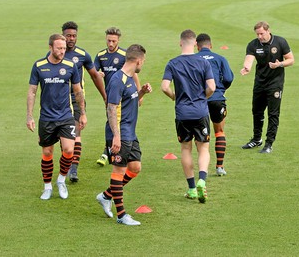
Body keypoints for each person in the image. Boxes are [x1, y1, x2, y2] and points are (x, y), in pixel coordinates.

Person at [95, 44, 152, 226]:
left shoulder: (129, 79)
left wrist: (141, 91)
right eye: (143, 61)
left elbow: (133, 101)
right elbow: (111, 108)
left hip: (130, 133)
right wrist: (116, 137)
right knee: (118, 171)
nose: (142, 64)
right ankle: (121, 215)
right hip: (120, 133)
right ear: (138, 60)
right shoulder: (117, 80)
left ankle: (106, 196)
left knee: (135, 168)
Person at [26, 34, 87, 200]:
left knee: (69, 149)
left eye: (64, 48)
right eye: (59, 48)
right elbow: (32, 91)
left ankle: (61, 179)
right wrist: (29, 116)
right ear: (51, 47)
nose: (62, 51)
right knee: (47, 152)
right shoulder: (39, 66)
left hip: (66, 115)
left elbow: (78, 91)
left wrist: (82, 113)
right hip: (46, 117)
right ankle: (47, 186)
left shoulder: (70, 66)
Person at [161, 29, 215, 203]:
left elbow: (164, 87)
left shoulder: (173, 63)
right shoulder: (203, 62)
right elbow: (212, 88)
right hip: (200, 111)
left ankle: (192, 188)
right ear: (195, 45)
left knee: (186, 149)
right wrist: (202, 97)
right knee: (204, 148)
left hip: (182, 113)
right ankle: (202, 180)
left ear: (180, 43)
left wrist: (174, 96)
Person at [60, 21, 106, 183]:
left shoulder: (82, 55)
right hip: (59, 103)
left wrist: (105, 97)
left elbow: (94, 76)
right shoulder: (56, 54)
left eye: (74, 36)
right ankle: (67, 165)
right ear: (62, 36)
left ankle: (73, 170)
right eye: (68, 36)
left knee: (76, 134)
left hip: (77, 101)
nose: (71, 39)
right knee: (65, 140)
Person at [240, 21, 294, 153]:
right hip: (260, 83)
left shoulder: (280, 42)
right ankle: (256, 139)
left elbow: (291, 59)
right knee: (257, 111)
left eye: (261, 33)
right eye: (257, 34)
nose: (259, 36)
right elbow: (249, 57)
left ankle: (269, 143)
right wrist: (247, 67)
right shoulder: (253, 44)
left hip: (275, 84)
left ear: (268, 31)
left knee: (273, 113)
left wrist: (279, 64)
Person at [94, 27, 141, 167]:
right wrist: (99, 75)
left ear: (118, 40)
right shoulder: (101, 55)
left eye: (113, 41)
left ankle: (107, 151)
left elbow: (134, 73)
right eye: (108, 40)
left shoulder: (124, 54)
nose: (110, 43)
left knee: (118, 120)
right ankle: (111, 148)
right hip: (110, 96)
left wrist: (139, 92)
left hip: (124, 95)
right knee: (112, 121)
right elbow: (94, 72)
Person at [196, 33, 234, 176]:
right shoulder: (220, 58)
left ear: (197, 46)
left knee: (201, 136)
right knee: (219, 131)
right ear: (210, 46)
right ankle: (219, 166)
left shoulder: (193, 59)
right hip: (217, 99)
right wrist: (220, 89)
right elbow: (229, 78)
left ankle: (202, 168)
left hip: (199, 101)